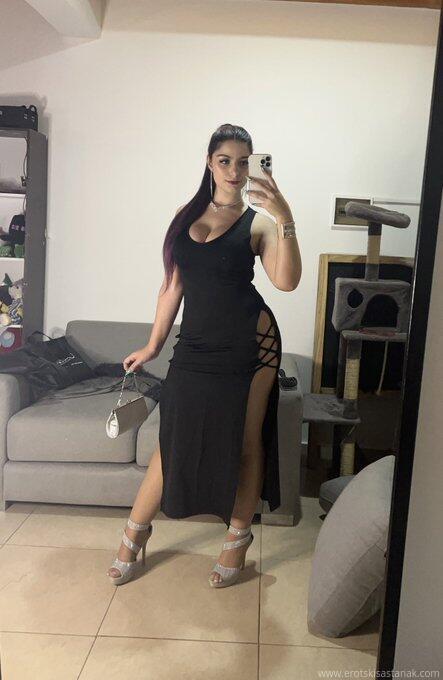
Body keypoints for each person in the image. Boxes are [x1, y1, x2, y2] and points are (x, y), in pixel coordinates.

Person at [107, 123, 302, 588]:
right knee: (172, 440)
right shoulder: (185, 214)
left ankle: (237, 541)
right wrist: (153, 345)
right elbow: (172, 284)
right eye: (225, 160)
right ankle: (134, 536)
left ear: (252, 166)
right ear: (209, 162)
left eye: (243, 162)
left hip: (251, 345)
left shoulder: (260, 221)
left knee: (247, 441)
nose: (234, 170)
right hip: (194, 346)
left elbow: (287, 281)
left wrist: (285, 216)